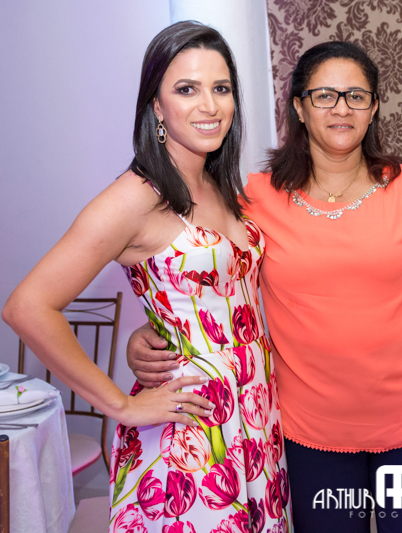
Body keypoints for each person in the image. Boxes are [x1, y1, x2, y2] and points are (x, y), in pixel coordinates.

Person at [128, 40, 402, 533]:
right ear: (299, 107)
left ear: (374, 107)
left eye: (356, 96)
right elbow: (205, 275)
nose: (341, 108)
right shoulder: (254, 198)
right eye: (324, 96)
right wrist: (153, 331)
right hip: (309, 435)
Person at [3, 21, 291, 532]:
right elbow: (27, 306)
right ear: (157, 106)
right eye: (187, 89)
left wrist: (155, 327)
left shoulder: (219, 186)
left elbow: (209, 294)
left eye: (221, 88)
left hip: (254, 414)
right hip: (191, 430)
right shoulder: (136, 196)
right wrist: (120, 405)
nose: (210, 105)